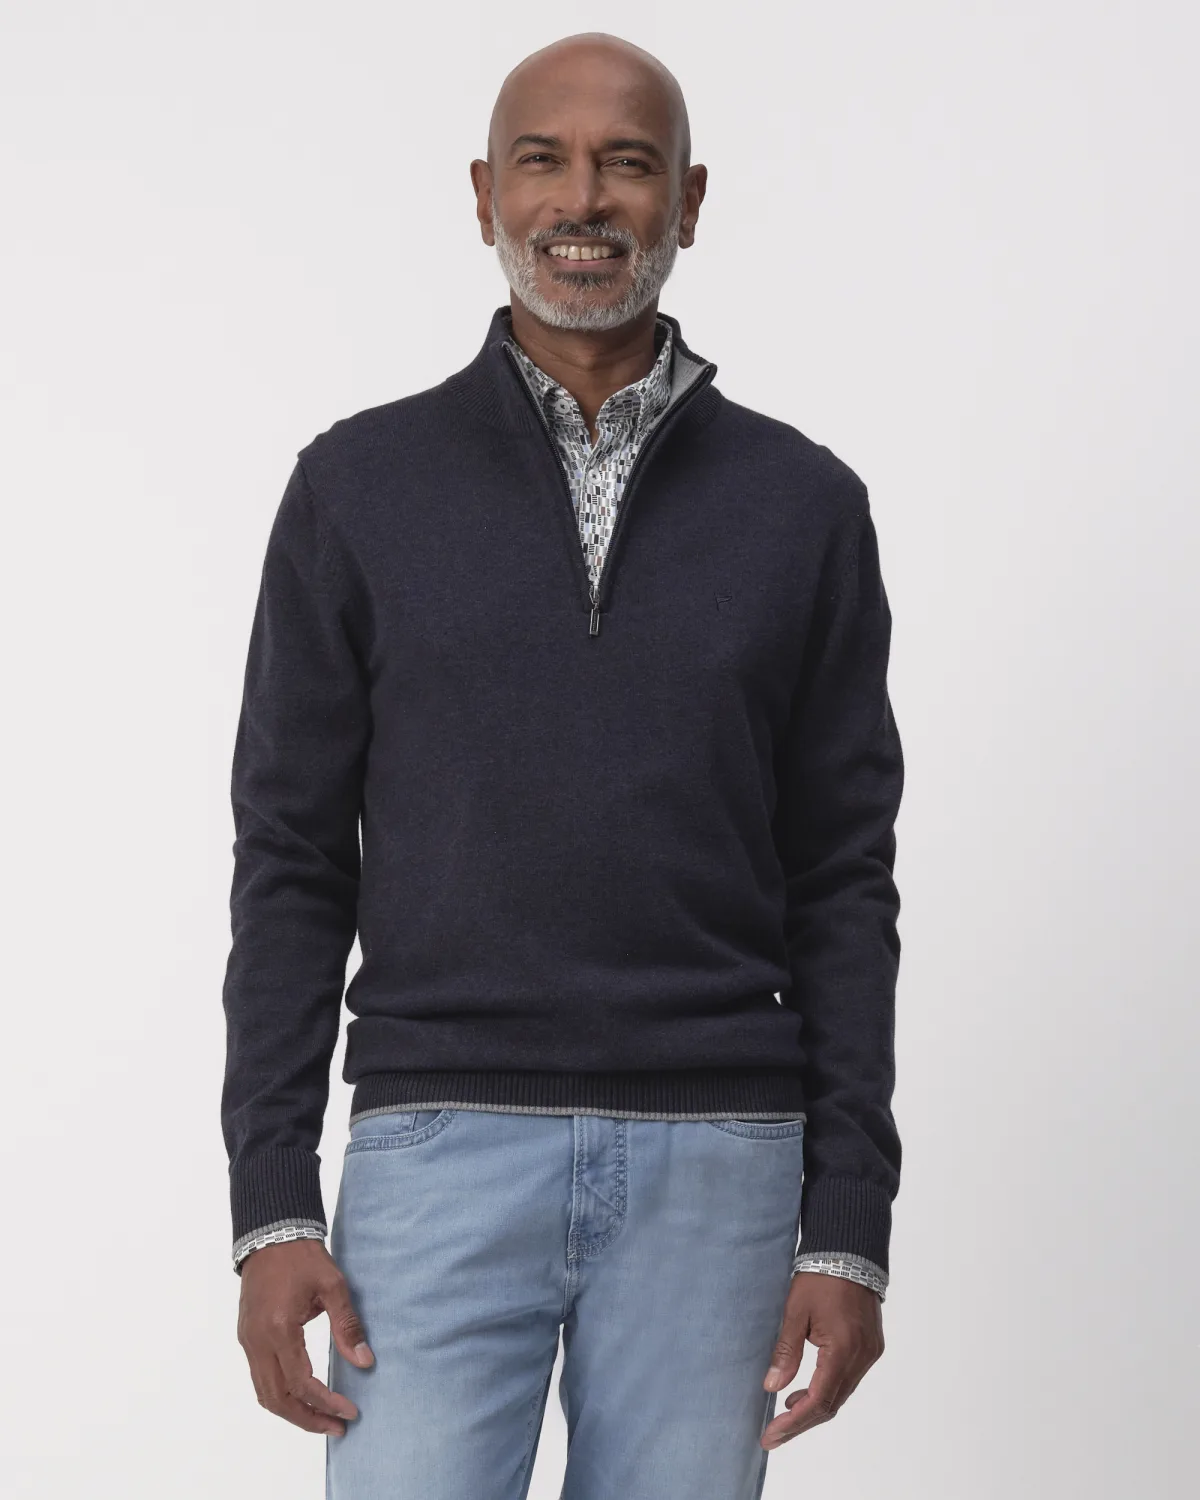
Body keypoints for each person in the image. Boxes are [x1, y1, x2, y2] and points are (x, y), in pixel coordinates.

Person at [222, 30, 904, 1500]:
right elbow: (290, 858)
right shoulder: (356, 487)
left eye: (627, 163)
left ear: (689, 201)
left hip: (721, 1159)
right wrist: (272, 1203)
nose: (582, 199)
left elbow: (846, 880)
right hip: (435, 1149)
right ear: (484, 191)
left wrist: (850, 1223)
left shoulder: (806, 506)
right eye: (543, 159)